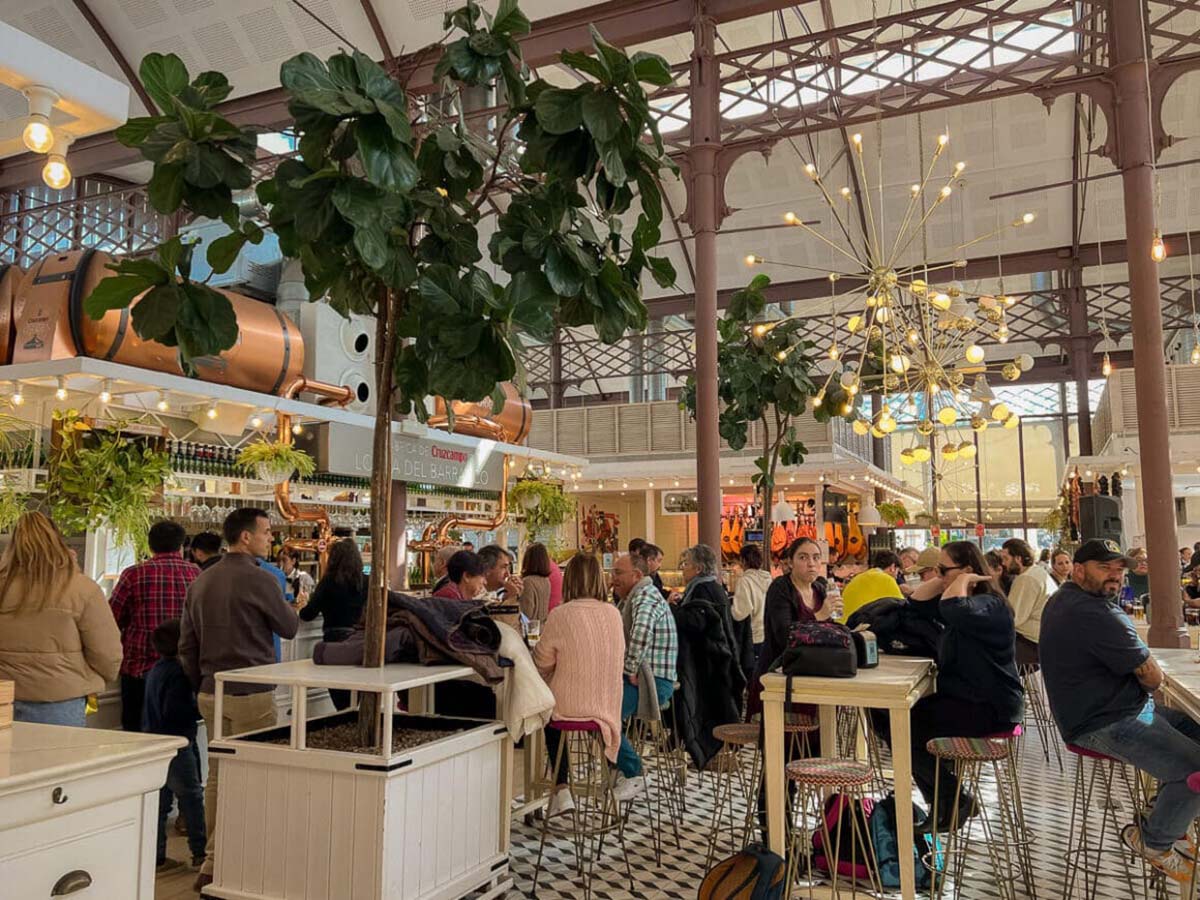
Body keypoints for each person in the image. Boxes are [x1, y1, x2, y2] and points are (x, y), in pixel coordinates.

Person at [1041, 539, 1200, 884]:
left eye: (1118, 569)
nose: (1114, 577)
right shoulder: (1094, 612)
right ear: (1079, 570)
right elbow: (1152, 676)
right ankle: (1155, 842)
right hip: (1102, 721)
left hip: (1119, 709)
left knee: (1196, 731)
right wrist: (1143, 672)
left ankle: (1163, 813)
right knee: (1196, 767)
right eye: (1104, 568)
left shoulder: (1066, 600)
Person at [180, 507, 300, 891]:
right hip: (252, 691)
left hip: (210, 691)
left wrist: (202, 679)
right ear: (245, 537)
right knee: (255, 776)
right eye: (266, 532)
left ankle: (213, 863)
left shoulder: (202, 580)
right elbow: (290, 627)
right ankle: (246, 861)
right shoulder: (261, 580)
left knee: (218, 776)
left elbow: (186, 644)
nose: (271, 538)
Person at [873, 541, 1023, 832]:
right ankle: (948, 800)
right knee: (890, 718)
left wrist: (963, 580)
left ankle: (953, 800)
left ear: (968, 570)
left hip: (990, 705)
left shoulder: (988, 606)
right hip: (966, 699)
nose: (937, 575)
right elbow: (915, 604)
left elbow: (952, 608)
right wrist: (947, 579)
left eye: (943, 569)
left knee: (904, 725)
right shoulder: (967, 603)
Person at [0, 511, 122, 726]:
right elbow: (107, 654)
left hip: (4, 697)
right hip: (61, 700)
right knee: (61, 759)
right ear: (58, 541)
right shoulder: (82, 588)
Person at [533, 554, 626, 817]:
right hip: (608, 704)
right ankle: (610, 781)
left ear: (568, 580)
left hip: (569, 705)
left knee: (549, 716)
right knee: (560, 712)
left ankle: (561, 788)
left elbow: (542, 661)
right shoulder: (613, 613)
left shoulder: (561, 614)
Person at [108, 520, 199, 733]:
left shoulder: (134, 574)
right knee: (182, 739)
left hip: (139, 667)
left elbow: (112, 618)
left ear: (150, 546)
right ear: (181, 546)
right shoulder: (196, 574)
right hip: (184, 667)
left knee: (136, 737)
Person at [674, 543, 748, 769]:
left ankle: (714, 755)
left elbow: (697, 624)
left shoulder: (702, 589)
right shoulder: (712, 587)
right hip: (718, 662)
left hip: (708, 664)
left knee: (708, 711)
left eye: (686, 565)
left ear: (697, 568)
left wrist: (674, 611)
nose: (683, 570)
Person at [610, 552, 678, 797]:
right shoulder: (633, 597)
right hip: (645, 677)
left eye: (618, 572)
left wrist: (629, 669)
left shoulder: (644, 596)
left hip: (654, 681)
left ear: (636, 575)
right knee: (601, 713)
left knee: (603, 718)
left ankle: (633, 772)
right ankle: (616, 764)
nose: (612, 577)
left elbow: (640, 634)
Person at [143, 618, 206, 872]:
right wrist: (199, 710)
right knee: (191, 797)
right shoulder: (180, 674)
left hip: (155, 742)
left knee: (160, 802)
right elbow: (177, 712)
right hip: (178, 743)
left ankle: (156, 857)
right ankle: (200, 853)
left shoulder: (155, 671)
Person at [300, 539, 367, 710]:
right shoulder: (367, 582)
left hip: (334, 642)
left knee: (340, 698)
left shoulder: (328, 582)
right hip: (361, 641)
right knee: (357, 694)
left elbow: (308, 615)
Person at [1000, 537, 1056, 668]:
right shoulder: (1038, 571)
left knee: (984, 650)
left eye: (1006, 559)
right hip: (1049, 639)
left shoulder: (1026, 579)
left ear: (1018, 559)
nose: (1003, 563)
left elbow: (1013, 619)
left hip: (1035, 644)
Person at [732, 543, 772, 659]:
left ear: (743, 561)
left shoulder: (745, 581)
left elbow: (740, 613)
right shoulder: (768, 579)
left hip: (753, 637)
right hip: (767, 635)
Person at [841, 549, 905, 620]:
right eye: (898, 572)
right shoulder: (887, 579)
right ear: (892, 567)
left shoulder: (858, 577)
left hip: (843, 624)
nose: (896, 577)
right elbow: (903, 608)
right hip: (857, 627)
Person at [517, 542, 553, 626]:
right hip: (542, 627)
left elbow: (526, 613)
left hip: (530, 630)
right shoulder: (546, 581)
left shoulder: (527, 582)